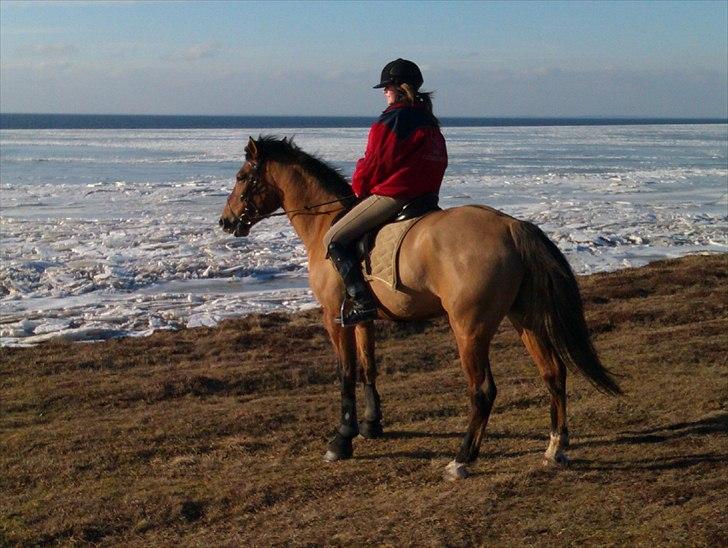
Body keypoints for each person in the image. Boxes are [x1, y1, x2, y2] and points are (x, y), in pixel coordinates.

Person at [323, 58, 448, 325]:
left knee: (334, 239)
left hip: (395, 194)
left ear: (400, 89)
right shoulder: (428, 120)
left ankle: (362, 302)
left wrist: (359, 188)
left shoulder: (392, 120)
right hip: (427, 198)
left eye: (387, 87)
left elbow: (376, 163)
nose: (384, 92)